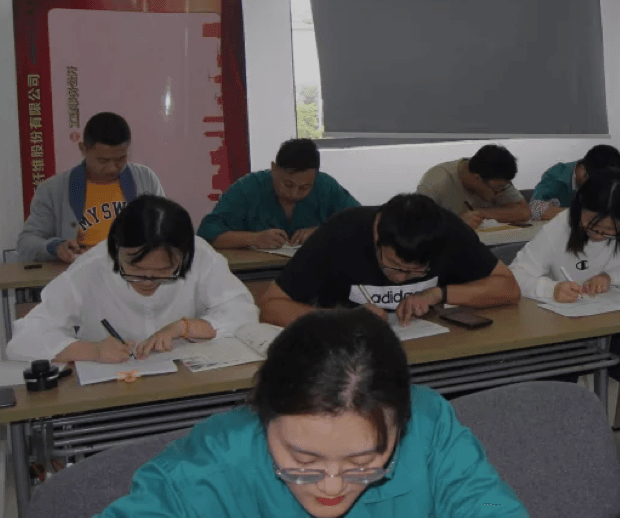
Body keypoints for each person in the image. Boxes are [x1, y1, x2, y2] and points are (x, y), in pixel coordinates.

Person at [17, 309, 543, 518]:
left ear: (400, 426)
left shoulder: (428, 426)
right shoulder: (201, 475)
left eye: (364, 463)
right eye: (302, 460)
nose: (332, 485)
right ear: (263, 416)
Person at [510, 169, 620, 462]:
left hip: (615, 334)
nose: (599, 236)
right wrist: (551, 288)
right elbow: (516, 275)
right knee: (555, 400)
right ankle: (560, 470)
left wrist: (612, 277)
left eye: (610, 232)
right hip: (564, 337)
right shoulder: (560, 227)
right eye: (592, 227)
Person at [7, 196, 257, 364]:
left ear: (184, 257)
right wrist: (92, 351)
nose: (147, 281)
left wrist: (185, 327)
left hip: (185, 384)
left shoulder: (201, 255)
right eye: (134, 270)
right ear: (116, 249)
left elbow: (243, 312)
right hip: (109, 394)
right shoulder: (92, 267)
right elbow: (25, 338)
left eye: (164, 272)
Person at [257, 193, 520, 328]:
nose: (401, 278)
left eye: (416, 271)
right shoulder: (340, 233)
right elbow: (271, 306)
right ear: (376, 235)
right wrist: (340, 320)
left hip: (428, 348)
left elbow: (508, 288)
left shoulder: (449, 231)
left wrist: (437, 294)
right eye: (393, 266)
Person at [17, 112, 165, 263]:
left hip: (135, 271)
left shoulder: (145, 179)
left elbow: (166, 228)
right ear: (83, 149)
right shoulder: (53, 189)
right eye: (103, 160)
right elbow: (26, 243)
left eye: (121, 159)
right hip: (82, 272)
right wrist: (56, 247)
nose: (112, 168)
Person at [197, 138, 360, 250]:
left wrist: (323, 232)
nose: (294, 193)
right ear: (274, 169)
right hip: (257, 272)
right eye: (288, 184)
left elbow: (360, 222)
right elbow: (207, 232)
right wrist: (253, 239)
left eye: (304, 187)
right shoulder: (247, 188)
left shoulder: (326, 187)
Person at [416, 144, 531, 228]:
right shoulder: (436, 181)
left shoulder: (496, 176)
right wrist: (457, 222)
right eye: (497, 188)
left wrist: (481, 213)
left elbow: (523, 212)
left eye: (504, 187)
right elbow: (416, 223)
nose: (501, 193)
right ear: (477, 178)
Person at [528, 144, 620, 221]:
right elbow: (534, 208)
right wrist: (579, 214)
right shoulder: (557, 175)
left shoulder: (608, 179)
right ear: (583, 170)